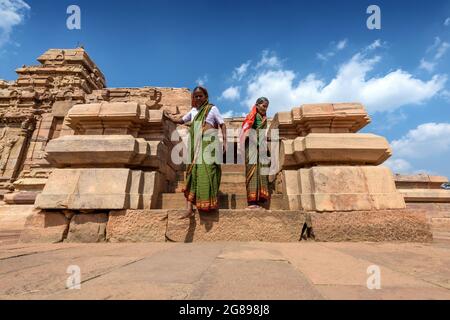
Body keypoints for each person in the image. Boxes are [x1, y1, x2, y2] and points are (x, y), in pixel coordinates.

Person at [164, 86, 227, 218]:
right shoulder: (193, 111)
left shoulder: (212, 109)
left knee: (209, 171)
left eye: (200, 96)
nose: (198, 98)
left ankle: (209, 202)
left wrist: (225, 142)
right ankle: (189, 209)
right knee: (192, 172)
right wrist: (168, 117)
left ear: (206, 97)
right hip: (194, 144)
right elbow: (181, 120)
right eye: (196, 96)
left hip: (209, 143)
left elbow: (222, 124)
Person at [239, 97, 270, 210]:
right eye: (263, 106)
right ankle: (252, 202)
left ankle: (259, 200)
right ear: (257, 105)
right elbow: (247, 130)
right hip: (252, 146)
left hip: (260, 147)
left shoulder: (263, 118)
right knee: (252, 171)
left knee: (261, 172)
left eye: (266, 106)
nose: (265, 108)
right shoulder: (252, 116)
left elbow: (263, 134)